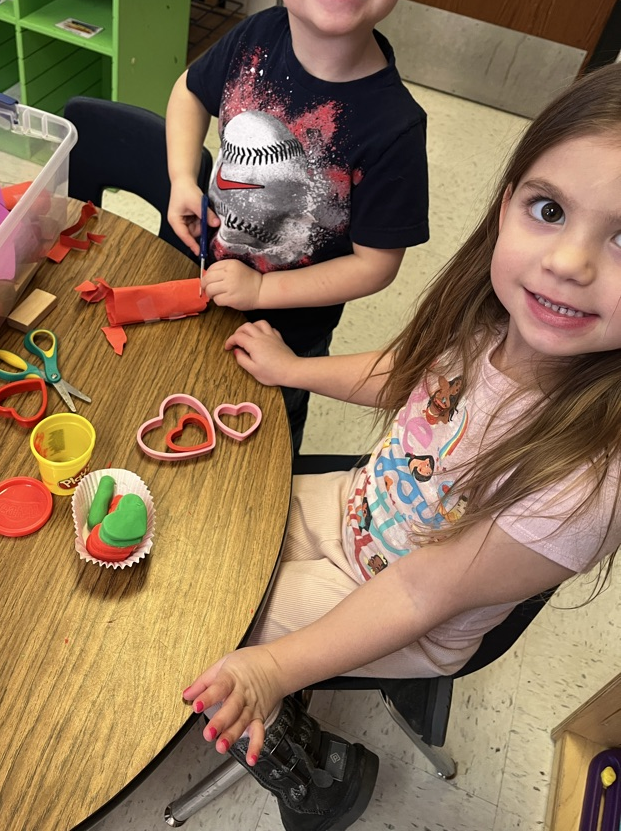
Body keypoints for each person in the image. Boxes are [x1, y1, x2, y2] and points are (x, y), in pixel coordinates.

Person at [181, 62, 621, 831]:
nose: (567, 263)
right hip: (357, 506)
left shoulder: (589, 486)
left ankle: (316, 772)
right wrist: (292, 370)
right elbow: (410, 377)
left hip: (402, 607)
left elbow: (420, 595)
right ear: (506, 203)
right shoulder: (493, 317)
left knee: (200, 623)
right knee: (205, 531)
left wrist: (271, 670)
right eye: (549, 209)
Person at [166, 0, 433, 452]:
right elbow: (188, 92)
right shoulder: (255, 37)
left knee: (262, 447)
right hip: (203, 272)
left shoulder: (394, 126)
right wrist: (182, 178)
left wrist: (263, 292)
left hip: (289, 333)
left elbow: (375, 264)